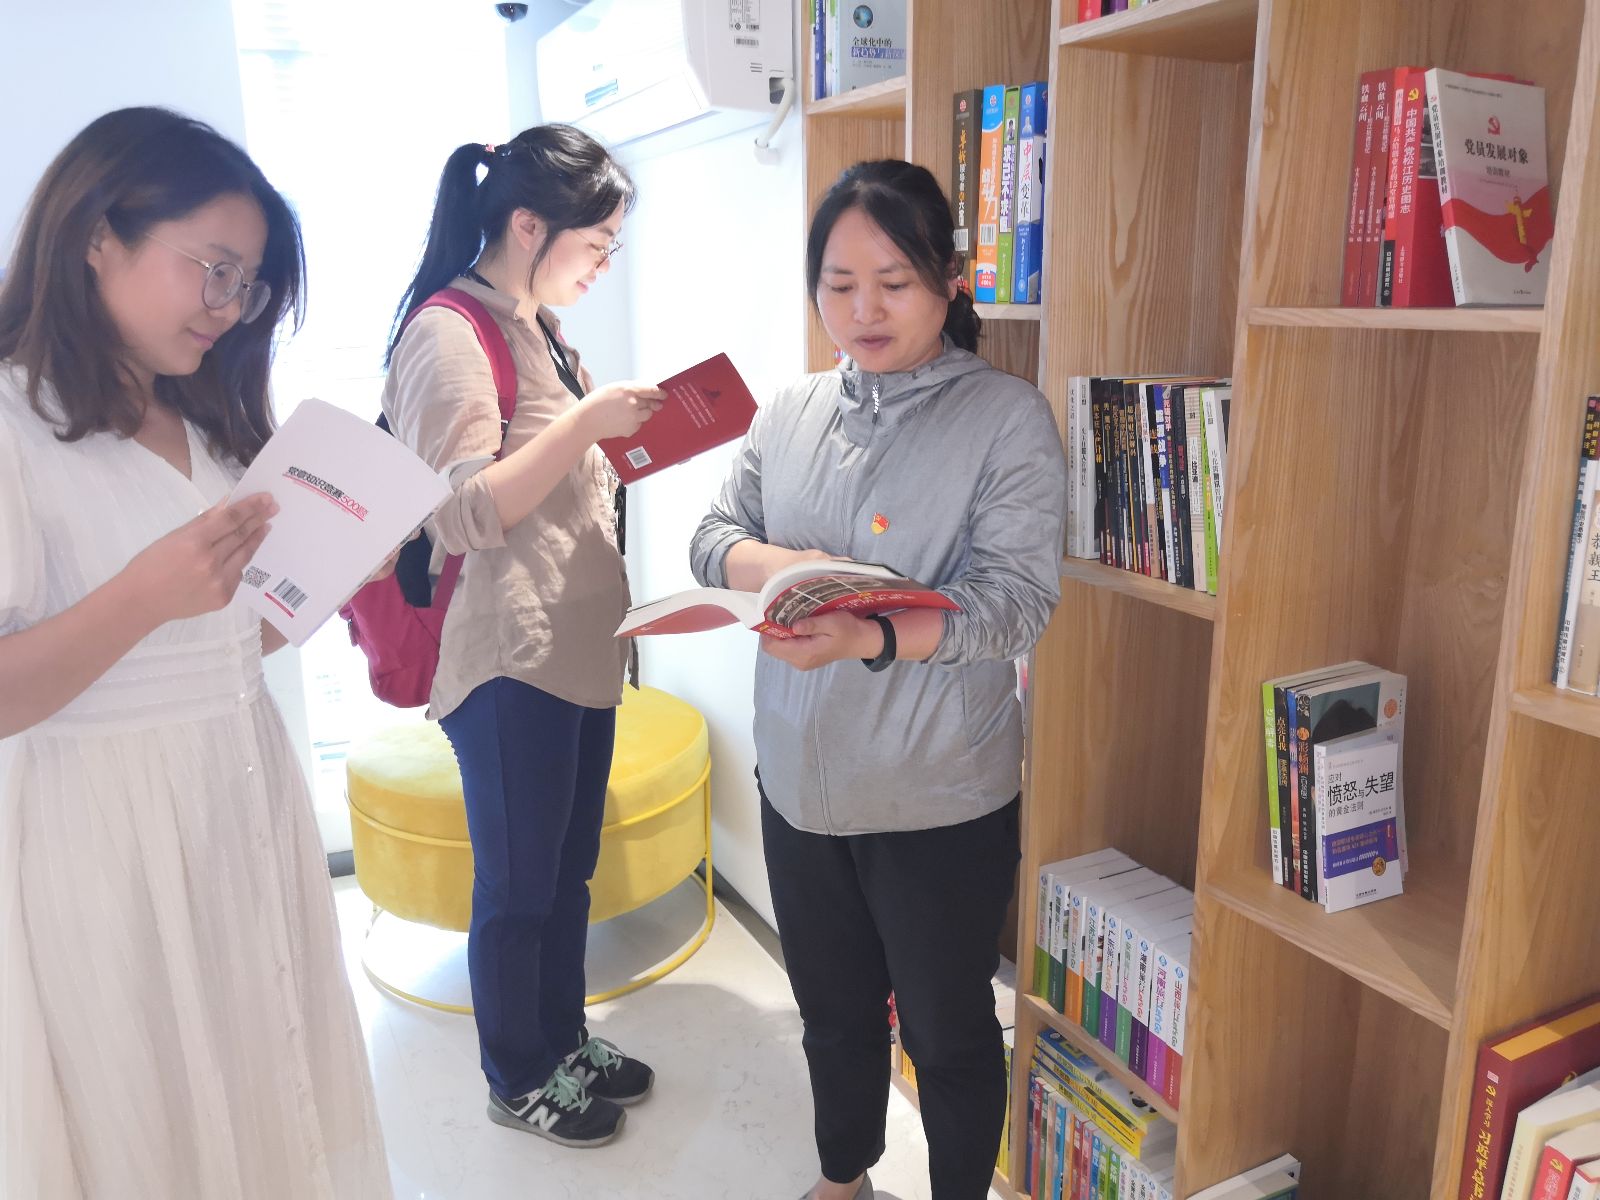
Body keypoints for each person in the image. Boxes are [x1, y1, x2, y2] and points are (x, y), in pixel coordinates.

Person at [0, 107, 391, 1197]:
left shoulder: (208, 420)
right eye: (213, 268)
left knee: (269, 1086)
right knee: (151, 1121)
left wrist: (327, 580)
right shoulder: (15, 426)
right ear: (97, 235)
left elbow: (223, 641)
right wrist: (141, 595)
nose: (228, 306)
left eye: (248, 285)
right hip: (106, 837)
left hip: (241, 798)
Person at [691, 159, 1068, 1200]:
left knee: (947, 1032)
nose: (863, 310)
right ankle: (844, 1175)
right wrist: (786, 567)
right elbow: (713, 535)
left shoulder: (1005, 418)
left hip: (936, 796)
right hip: (799, 783)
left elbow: (1015, 605)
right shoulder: (790, 409)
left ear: (950, 280)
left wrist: (869, 636)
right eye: (839, 283)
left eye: (893, 283)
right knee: (832, 1012)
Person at [382, 124, 663, 1149]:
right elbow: (461, 513)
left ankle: (562, 1040)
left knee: (566, 874)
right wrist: (587, 425)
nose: (601, 267)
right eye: (596, 245)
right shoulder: (448, 334)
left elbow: (550, 482)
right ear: (528, 225)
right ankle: (516, 1074)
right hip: (509, 655)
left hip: (576, 647)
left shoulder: (536, 326)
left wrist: (617, 437)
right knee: (516, 888)